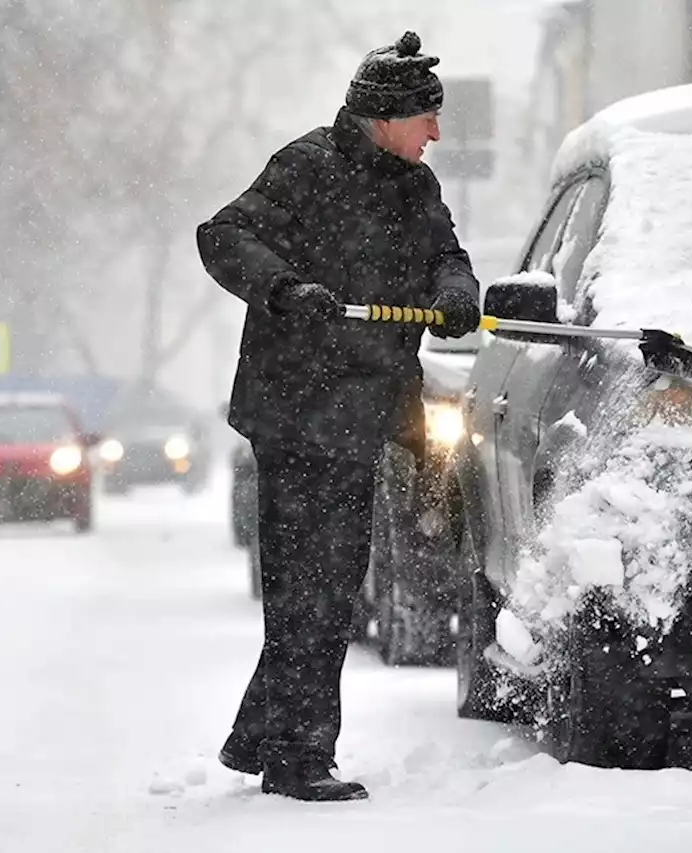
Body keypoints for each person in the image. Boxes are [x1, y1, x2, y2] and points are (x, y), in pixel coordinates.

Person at [195, 31, 480, 802]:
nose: (437, 132)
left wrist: (458, 295)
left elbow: (447, 256)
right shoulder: (306, 168)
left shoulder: (417, 190)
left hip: (364, 413)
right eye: (428, 116)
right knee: (309, 589)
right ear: (386, 117)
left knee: (330, 586)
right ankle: (298, 759)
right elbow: (222, 236)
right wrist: (286, 290)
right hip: (295, 410)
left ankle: (262, 736)